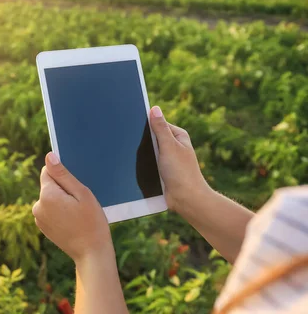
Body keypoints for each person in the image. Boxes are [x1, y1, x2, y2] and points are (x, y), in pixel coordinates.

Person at [32, 106, 308, 313]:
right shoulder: (293, 211)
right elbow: (291, 254)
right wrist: (190, 195)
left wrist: (90, 252)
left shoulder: (294, 207)